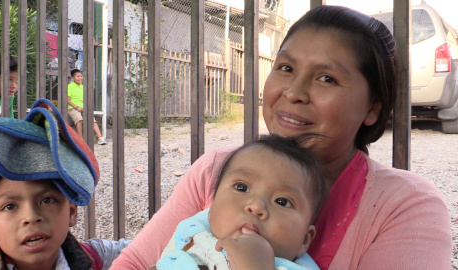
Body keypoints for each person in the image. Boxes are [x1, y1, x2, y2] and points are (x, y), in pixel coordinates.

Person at [111, 5, 452, 270]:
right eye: (286, 68)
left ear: (373, 108)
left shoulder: (404, 207)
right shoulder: (216, 170)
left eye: (327, 78)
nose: (293, 92)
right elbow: (136, 263)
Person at [0, 98, 128, 269]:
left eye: (47, 200)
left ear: (72, 212)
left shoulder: (98, 258)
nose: (31, 217)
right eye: (10, 206)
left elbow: (153, 246)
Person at [154, 134, 327, 270]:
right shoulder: (194, 234)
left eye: (282, 201)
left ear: (304, 239)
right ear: (213, 204)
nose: (256, 206)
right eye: (242, 188)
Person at [67, 69, 107, 145]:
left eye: (81, 76)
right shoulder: (70, 87)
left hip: (83, 108)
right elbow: (67, 100)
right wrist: (76, 107)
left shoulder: (83, 87)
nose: (80, 78)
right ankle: (80, 139)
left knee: (91, 118)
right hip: (72, 108)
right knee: (79, 119)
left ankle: (100, 137)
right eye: (77, 76)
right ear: (73, 78)